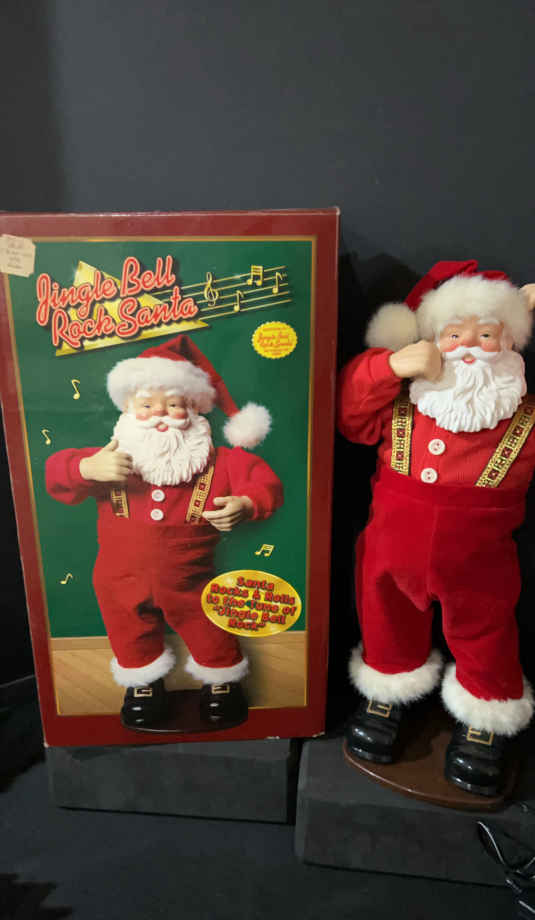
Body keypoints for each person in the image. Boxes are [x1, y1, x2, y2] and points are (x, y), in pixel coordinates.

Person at [337, 259, 535, 795]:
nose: (469, 345)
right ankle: (388, 690)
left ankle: (487, 712)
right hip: (388, 556)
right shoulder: (401, 401)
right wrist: (388, 366)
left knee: (486, 634)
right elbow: (347, 414)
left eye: (486, 334)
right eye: (453, 333)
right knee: (385, 619)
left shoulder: (525, 417)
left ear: (510, 342)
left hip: (479, 568)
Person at [46, 334, 283, 730]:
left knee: (208, 628)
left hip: (190, 579)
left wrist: (246, 504)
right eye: (146, 405)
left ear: (194, 409)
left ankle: (221, 680)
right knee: (128, 631)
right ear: (127, 408)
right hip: (118, 579)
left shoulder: (219, 461)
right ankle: (143, 685)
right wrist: (85, 469)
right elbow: (55, 470)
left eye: (173, 404)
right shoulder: (108, 457)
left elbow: (264, 481)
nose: (160, 413)